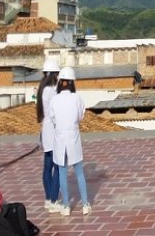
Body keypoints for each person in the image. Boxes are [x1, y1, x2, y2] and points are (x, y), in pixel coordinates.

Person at [49, 66, 91, 216]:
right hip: (73, 138)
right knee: (79, 172)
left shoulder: (54, 99)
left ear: (60, 82)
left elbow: (52, 118)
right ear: (72, 82)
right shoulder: (77, 98)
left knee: (62, 174)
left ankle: (66, 205)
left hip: (60, 139)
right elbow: (81, 116)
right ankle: (85, 204)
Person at [36, 58, 61, 212]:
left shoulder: (42, 89)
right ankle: (53, 200)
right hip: (53, 130)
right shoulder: (52, 90)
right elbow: (56, 112)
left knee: (47, 167)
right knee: (58, 166)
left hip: (45, 130)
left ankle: (48, 199)